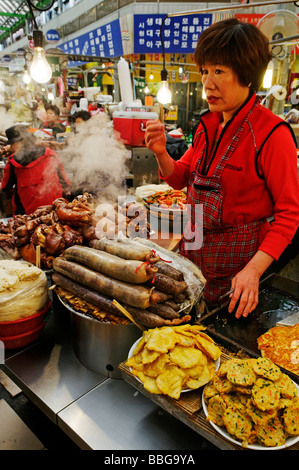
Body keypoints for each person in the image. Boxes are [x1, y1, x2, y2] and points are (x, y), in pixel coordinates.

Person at [145, 18, 299, 319]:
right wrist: (161, 153)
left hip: (240, 267)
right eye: (204, 71)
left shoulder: (272, 133)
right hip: (194, 255)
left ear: (246, 74)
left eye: (219, 71)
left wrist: (253, 271)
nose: (207, 83)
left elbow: (289, 216)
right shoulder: (207, 126)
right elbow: (180, 179)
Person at [1, 125, 71, 215]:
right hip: (55, 209)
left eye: (13, 144)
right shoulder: (49, 153)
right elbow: (65, 181)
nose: (12, 147)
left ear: (22, 142)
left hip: (28, 214)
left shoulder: (12, 163)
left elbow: (6, 187)